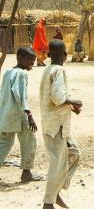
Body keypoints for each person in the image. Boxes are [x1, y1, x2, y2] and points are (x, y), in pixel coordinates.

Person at [40, 39, 82, 209]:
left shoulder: (47, 70)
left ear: (49, 55)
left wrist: (70, 107)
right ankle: (48, 202)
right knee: (57, 163)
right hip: (56, 127)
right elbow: (58, 98)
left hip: (56, 124)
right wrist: (74, 100)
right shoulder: (59, 71)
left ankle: (55, 193)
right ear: (65, 55)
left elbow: (55, 97)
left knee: (74, 153)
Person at [0, 47, 44, 182]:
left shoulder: (8, 71)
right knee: (29, 141)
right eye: (30, 59)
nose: (32, 62)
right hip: (20, 114)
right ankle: (26, 173)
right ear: (19, 58)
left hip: (6, 114)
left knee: (4, 144)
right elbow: (21, 96)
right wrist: (29, 116)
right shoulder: (22, 74)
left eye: (34, 60)